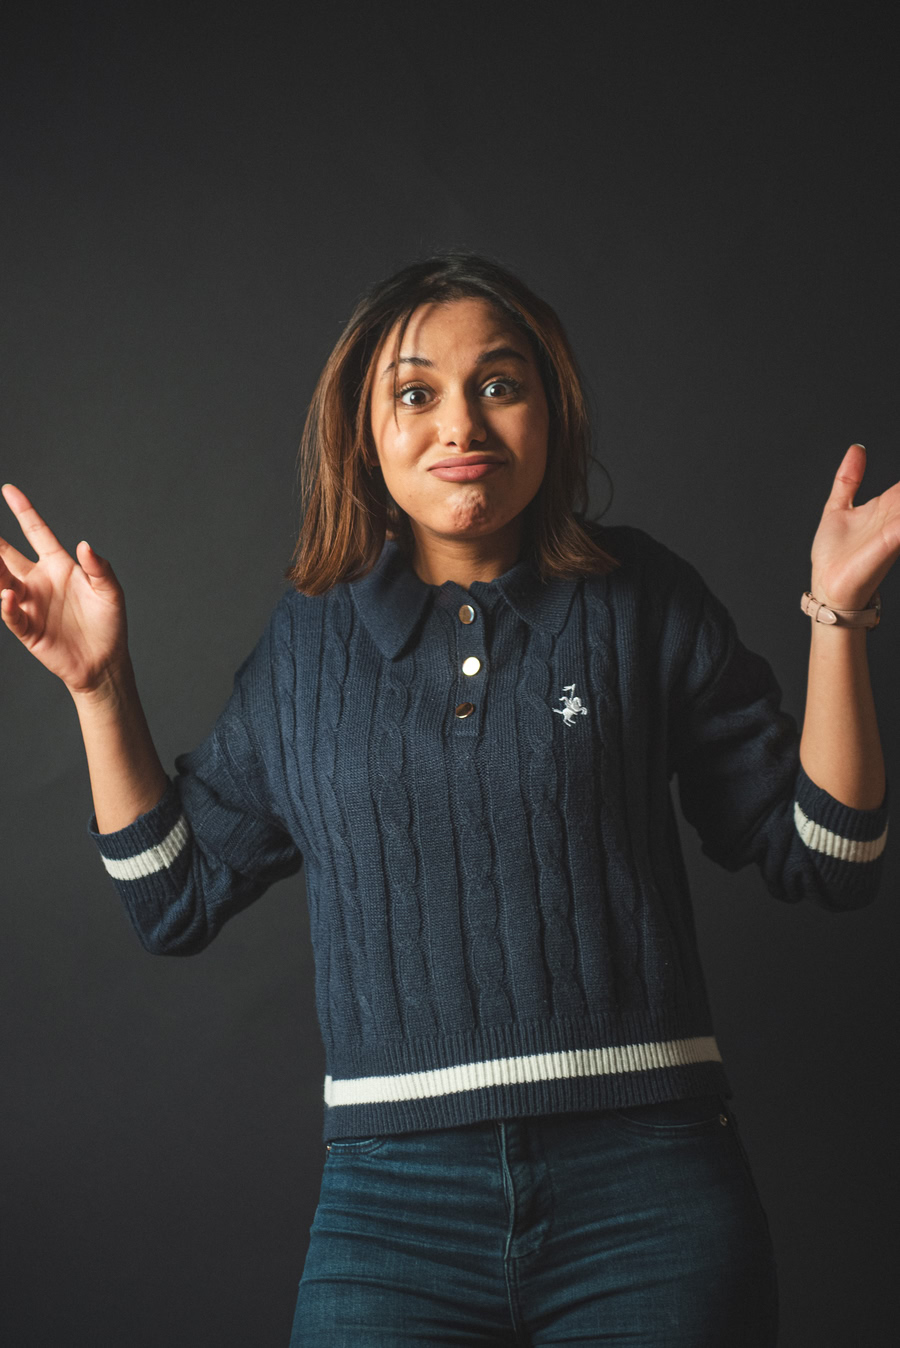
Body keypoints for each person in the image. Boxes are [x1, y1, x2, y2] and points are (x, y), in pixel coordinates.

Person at [1, 252, 895, 1347]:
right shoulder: (308, 643)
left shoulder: (641, 597)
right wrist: (98, 688)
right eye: (417, 394)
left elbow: (831, 858)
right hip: (390, 1212)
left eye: (500, 384)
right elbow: (172, 898)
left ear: (552, 412)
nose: (461, 424)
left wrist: (837, 617)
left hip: (651, 1194)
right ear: (363, 436)